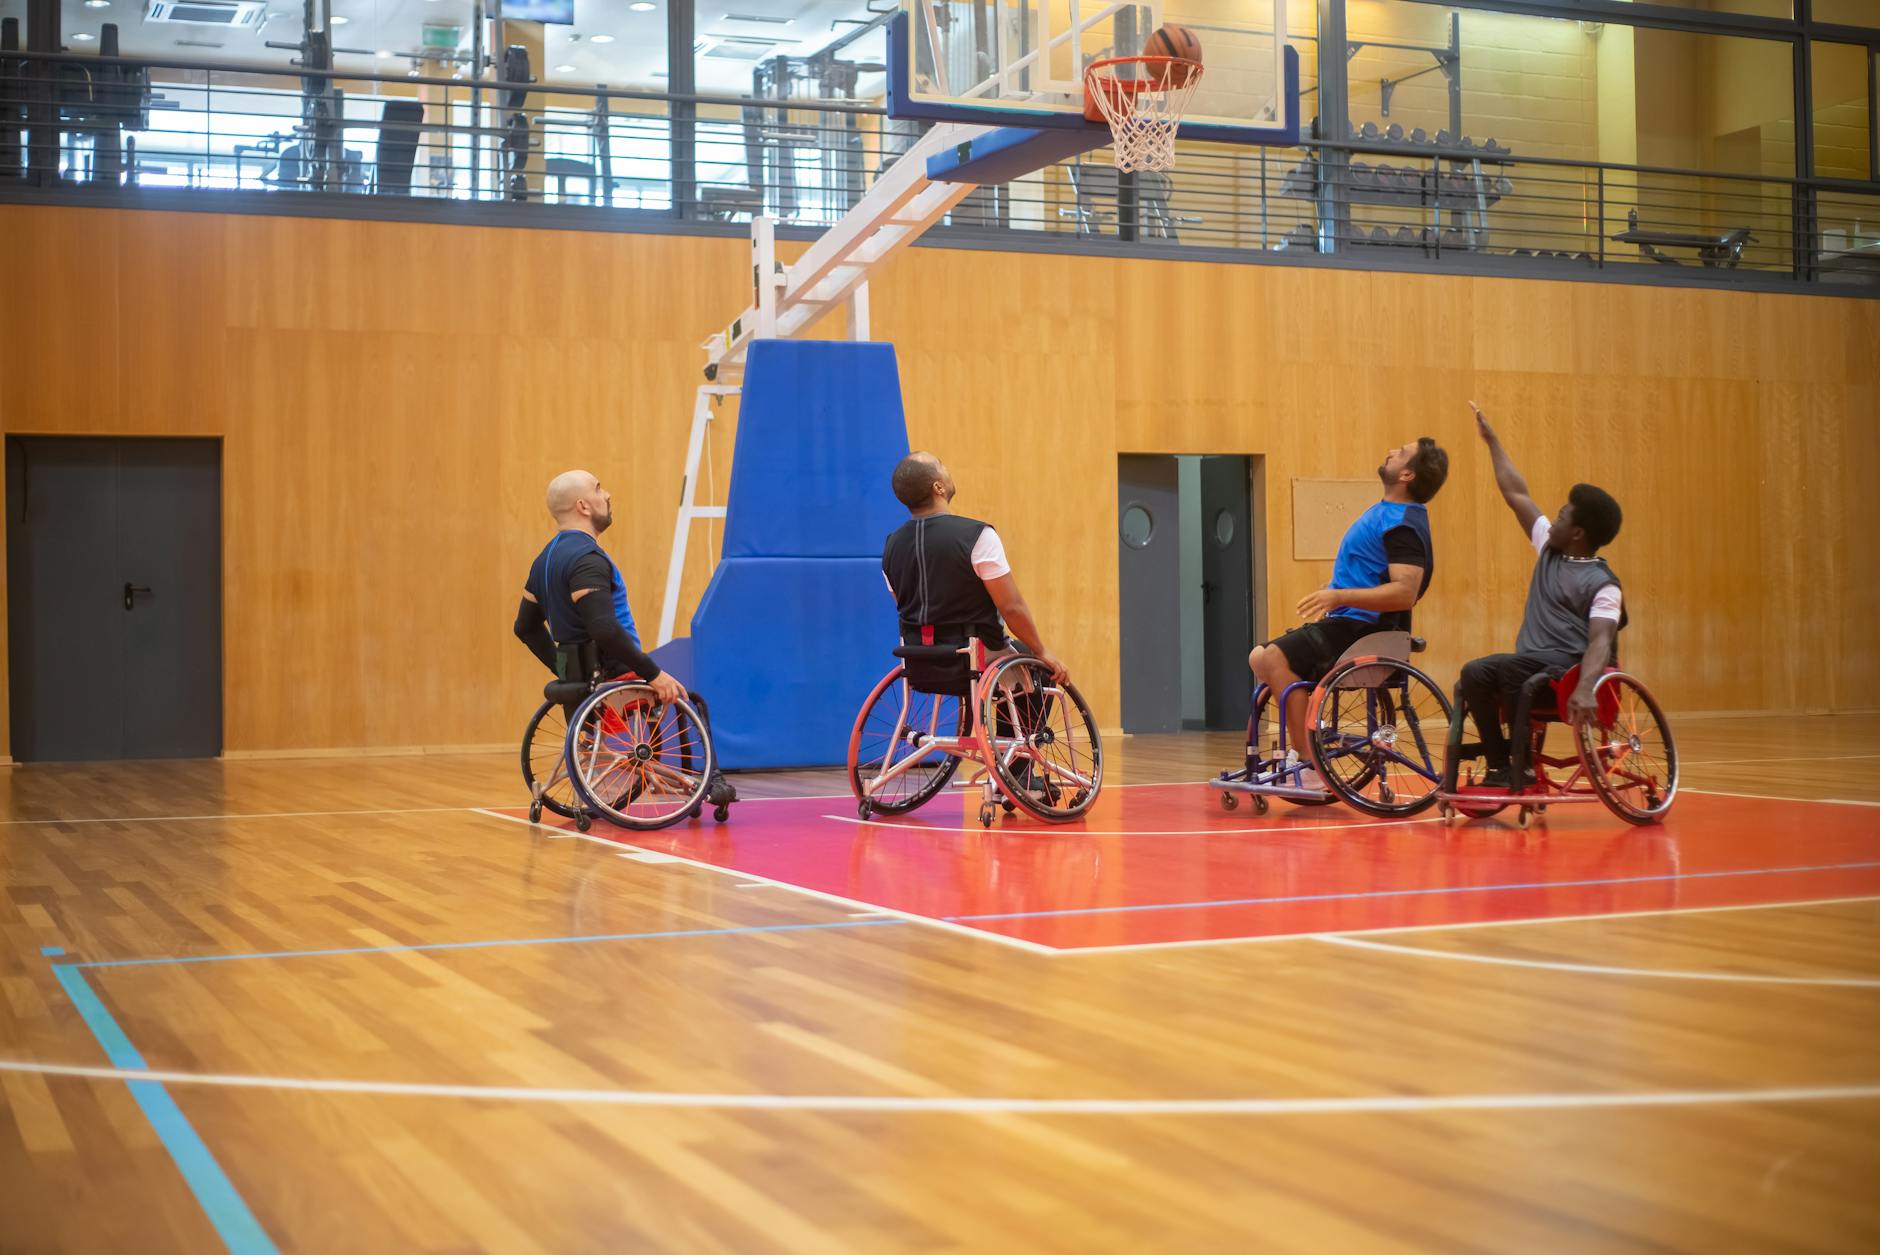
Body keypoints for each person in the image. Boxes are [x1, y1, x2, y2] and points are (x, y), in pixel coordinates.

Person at [1248, 438, 1448, 791]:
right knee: (1260, 657)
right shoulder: (1385, 513)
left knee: (1276, 657)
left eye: (1400, 452)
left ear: (1407, 473)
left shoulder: (1402, 523)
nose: (1390, 450)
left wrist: (1338, 594)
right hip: (1347, 623)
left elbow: (1405, 593)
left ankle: (1311, 763)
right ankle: (1313, 743)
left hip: (1365, 629)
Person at [1462, 403, 1625, 789]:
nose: (1554, 519)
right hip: (1532, 663)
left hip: (1568, 668)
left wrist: (1586, 687)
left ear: (1579, 533)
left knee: (1515, 670)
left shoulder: (1604, 583)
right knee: (1474, 672)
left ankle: (1523, 765)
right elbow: (1516, 493)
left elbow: (1601, 640)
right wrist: (1493, 441)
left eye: (1563, 515)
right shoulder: (1551, 550)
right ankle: (1502, 763)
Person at [880, 451, 1068, 685]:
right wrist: (1041, 650)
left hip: (920, 658)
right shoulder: (978, 536)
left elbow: (905, 604)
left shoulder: (891, 546)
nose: (947, 468)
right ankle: (1016, 723)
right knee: (1038, 668)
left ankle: (975, 718)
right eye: (942, 464)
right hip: (975, 656)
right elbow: (1011, 607)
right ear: (938, 487)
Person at [514, 469, 685, 706]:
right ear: (583, 507)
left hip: (580, 682)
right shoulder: (588, 560)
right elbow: (603, 628)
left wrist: (565, 671)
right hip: (616, 677)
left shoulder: (543, 561)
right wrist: (654, 674)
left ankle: (593, 743)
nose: (607, 494)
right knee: (686, 700)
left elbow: (525, 627)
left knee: (593, 744)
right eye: (598, 488)